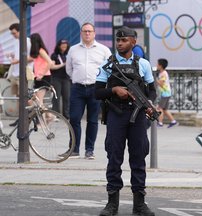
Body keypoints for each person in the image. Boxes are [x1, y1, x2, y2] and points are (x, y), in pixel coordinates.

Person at [95, 26, 156, 216]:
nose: (120, 43)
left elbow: (152, 90)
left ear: (133, 42)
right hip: (116, 113)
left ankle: (139, 203)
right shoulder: (109, 64)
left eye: (124, 40)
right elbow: (96, 92)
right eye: (118, 40)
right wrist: (114, 90)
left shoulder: (143, 64)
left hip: (137, 116)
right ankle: (112, 203)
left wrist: (149, 103)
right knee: (114, 156)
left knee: (138, 156)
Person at [65, 22, 112, 159]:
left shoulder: (103, 50)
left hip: (95, 88)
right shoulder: (73, 49)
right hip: (78, 88)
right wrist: (76, 77)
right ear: (81, 33)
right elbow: (69, 69)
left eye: (89, 31)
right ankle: (74, 149)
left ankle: (89, 150)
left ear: (94, 33)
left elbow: (110, 68)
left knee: (92, 120)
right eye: (85, 31)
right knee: (74, 118)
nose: (87, 33)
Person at [7, 23, 32, 127]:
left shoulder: (27, 41)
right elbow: (17, 55)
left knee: (27, 97)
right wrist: (12, 55)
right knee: (18, 97)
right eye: (12, 33)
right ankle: (20, 118)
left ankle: (36, 116)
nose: (13, 35)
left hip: (25, 73)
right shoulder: (16, 41)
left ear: (20, 31)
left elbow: (31, 57)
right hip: (16, 73)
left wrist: (17, 61)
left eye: (14, 33)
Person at [30, 33, 52, 106]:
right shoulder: (37, 52)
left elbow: (50, 62)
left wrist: (42, 74)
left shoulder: (41, 51)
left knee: (39, 100)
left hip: (44, 77)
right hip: (38, 77)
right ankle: (49, 115)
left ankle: (46, 116)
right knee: (34, 100)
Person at [50, 39, 71, 119]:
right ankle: (56, 114)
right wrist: (63, 65)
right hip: (56, 78)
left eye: (65, 46)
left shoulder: (68, 55)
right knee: (56, 97)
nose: (64, 47)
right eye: (62, 46)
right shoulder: (54, 55)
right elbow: (52, 67)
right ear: (59, 46)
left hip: (66, 78)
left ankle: (66, 115)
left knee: (67, 97)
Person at [156, 58, 178, 128]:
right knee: (165, 109)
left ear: (160, 66)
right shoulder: (162, 73)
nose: (156, 65)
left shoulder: (163, 74)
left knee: (160, 108)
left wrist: (155, 79)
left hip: (165, 93)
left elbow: (161, 83)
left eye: (157, 64)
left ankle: (160, 123)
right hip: (166, 93)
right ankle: (173, 121)